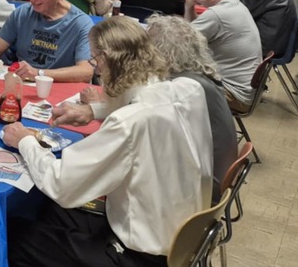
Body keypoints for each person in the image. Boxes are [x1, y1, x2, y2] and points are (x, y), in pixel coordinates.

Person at [2, 18, 213, 267]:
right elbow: (142, 100)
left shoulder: (129, 124)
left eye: (96, 59)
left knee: (21, 240)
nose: (94, 67)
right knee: (55, 215)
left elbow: (62, 185)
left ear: (110, 61)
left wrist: (25, 141)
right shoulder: (188, 90)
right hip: (181, 247)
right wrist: (93, 112)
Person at [53, 14, 235, 195]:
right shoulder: (191, 80)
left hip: (197, 185)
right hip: (198, 174)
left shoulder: (180, 87)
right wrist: (94, 110)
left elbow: (136, 119)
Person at [185, 0, 261, 113]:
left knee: (171, 79)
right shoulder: (234, 4)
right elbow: (193, 33)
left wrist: (187, 7)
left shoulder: (217, 14)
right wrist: (190, 7)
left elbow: (181, 42)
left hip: (233, 94)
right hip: (244, 90)